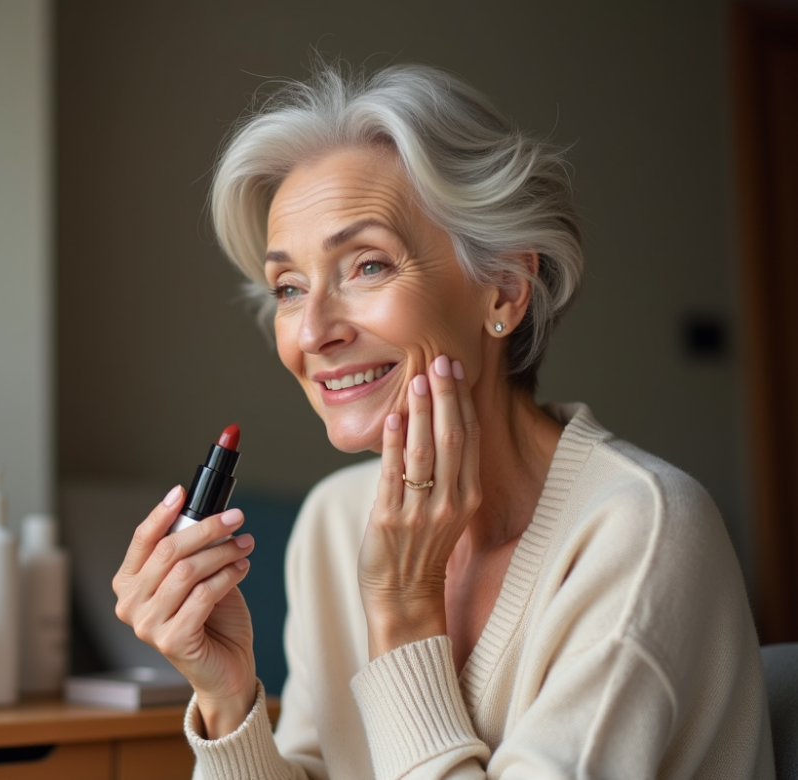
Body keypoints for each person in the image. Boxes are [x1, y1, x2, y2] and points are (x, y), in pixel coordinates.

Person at [112, 63, 773, 779]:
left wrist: (401, 615)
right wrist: (226, 695)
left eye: (367, 265)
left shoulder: (641, 531)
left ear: (505, 289)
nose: (312, 333)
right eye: (290, 288)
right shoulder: (334, 523)